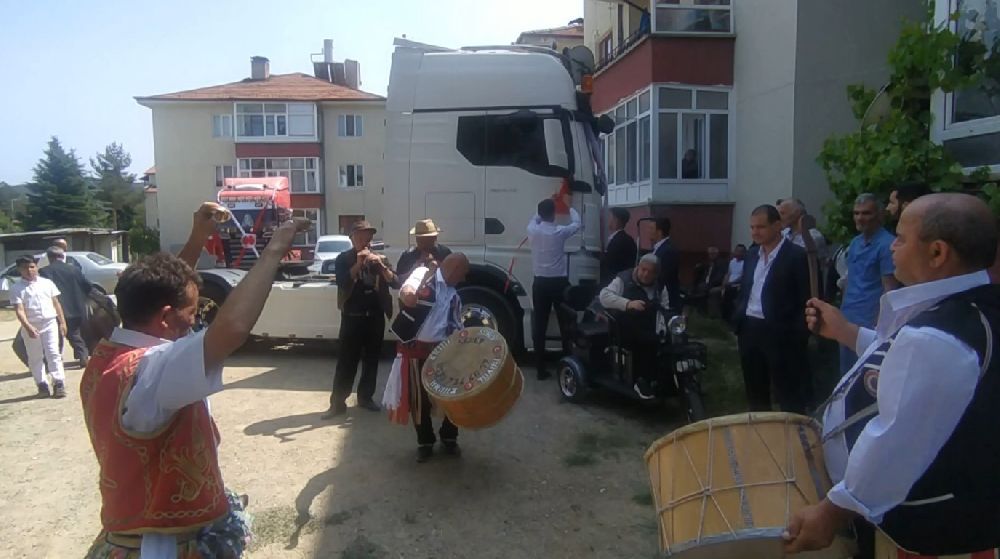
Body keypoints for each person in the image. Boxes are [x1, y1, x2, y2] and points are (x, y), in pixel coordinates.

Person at [80, 201, 310, 557]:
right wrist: (276, 248)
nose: (196, 319)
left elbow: (161, 292)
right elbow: (231, 329)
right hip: (164, 546)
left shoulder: (109, 354)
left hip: (128, 531)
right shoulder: (154, 371)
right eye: (192, 312)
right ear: (167, 317)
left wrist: (198, 237)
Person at [784, 193, 1000, 558]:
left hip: (926, 534)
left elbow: (897, 441)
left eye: (900, 237)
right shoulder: (968, 309)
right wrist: (848, 333)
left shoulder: (937, 336)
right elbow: (904, 363)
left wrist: (831, 512)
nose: (893, 247)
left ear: (937, 253)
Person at [386, 253, 469, 462]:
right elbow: (407, 292)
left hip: (444, 351)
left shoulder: (454, 295)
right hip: (416, 349)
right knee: (418, 399)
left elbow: (457, 324)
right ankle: (425, 442)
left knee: (453, 395)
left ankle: (449, 437)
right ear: (454, 269)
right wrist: (411, 291)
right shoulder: (423, 273)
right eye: (462, 274)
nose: (462, 279)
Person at [731, 205, 811, 413]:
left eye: (761, 227)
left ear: (777, 226)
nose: (755, 232)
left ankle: (793, 439)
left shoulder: (796, 256)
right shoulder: (751, 255)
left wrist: (799, 334)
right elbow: (746, 289)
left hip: (780, 331)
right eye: (752, 227)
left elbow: (805, 296)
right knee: (755, 390)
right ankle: (759, 436)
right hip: (749, 327)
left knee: (787, 391)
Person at [324, 220, 398, 418]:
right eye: (360, 236)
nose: (364, 239)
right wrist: (357, 264)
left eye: (368, 236)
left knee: (372, 360)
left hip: (374, 317)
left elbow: (396, 282)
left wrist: (382, 267)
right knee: (346, 361)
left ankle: (365, 397)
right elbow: (341, 281)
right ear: (352, 238)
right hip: (352, 318)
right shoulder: (343, 258)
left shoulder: (380, 258)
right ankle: (338, 403)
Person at [839, 193, 900, 372]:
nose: (860, 218)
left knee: (865, 375)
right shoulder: (855, 243)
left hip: (869, 322)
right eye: (856, 213)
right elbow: (849, 280)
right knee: (845, 374)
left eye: (866, 213)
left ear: (879, 215)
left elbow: (889, 289)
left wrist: (879, 324)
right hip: (848, 317)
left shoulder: (887, 245)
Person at [599, 254, 670, 399]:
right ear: (638, 267)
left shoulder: (660, 286)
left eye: (650, 272)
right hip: (624, 326)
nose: (645, 274)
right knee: (646, 341)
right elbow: (604, 296)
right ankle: (641, 381)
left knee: (668, 342)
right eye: (643, 269)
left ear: (656, 274)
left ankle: (665, 380)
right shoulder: (623, 279)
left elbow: (665, 308)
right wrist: (628, 303)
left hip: (651, 326)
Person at [527, 197, 581, 380]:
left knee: (540, 325)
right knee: (564, 323)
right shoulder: (560, 232)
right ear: (554, 214)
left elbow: (535, 218)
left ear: (541, 214)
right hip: (559, 283)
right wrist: (568, 206)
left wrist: (545, 207)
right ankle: (568, 365)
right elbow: (577, 223)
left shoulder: (532, 230)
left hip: (540, 284)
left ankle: (540, 369)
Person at [11, 255, 67, 398]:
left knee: (53, 353)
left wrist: (62, 322)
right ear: (19, 270)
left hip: (49, 322)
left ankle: (58, 382)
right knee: (35, 356)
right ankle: (42, 384)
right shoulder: (17, 288)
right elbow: (19, 310)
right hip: (31, 324)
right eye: (25, 268)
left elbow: (56, 303)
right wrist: (28, 327)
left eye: (32, 267)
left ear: (36, 267)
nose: (29, 270)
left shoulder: (47, 283)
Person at [40, 245, 95, 368]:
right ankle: (83, 357)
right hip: (76, 309)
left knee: (55, 337)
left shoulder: (44, 272)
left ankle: (54, 362)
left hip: (55, 310)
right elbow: (88, 287)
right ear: (62, 256)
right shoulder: (74, 270)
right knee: (75, 335)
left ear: (49, 258)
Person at [650, 217, 681, 310]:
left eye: (651, 229)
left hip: (667, 300)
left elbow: (662, 277)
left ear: (659, 232)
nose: (648, 231)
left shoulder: (668, 251)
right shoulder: (659, 248)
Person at [601, 207, 638, 286]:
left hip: (613, 283)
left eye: (610, 217)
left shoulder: (619, 241)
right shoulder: (626, 239)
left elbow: (609, 263)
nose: (608, 220)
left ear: (616, 220)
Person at [690, 246, 727, 316]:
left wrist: (708, 284)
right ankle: (699, 311)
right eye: (709, 254)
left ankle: (704, 313)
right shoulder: (709, 263)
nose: (710, 255)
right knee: (695, 288)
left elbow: (719, 277)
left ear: (716, 254)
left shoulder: (721, 263)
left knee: (701, 289)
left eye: (712, 253)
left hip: (714, 284)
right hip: (706, 283)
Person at [722, 244, 746, 319]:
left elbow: (743, 277)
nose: (739, 253)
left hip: (737, 286)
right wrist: (724, 283)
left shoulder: (746, 263)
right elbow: (728, 274)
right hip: (728, 285)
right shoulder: (732, 262)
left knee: (731, 300)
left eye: (741, 251)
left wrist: (732, 283)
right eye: (737, 251)